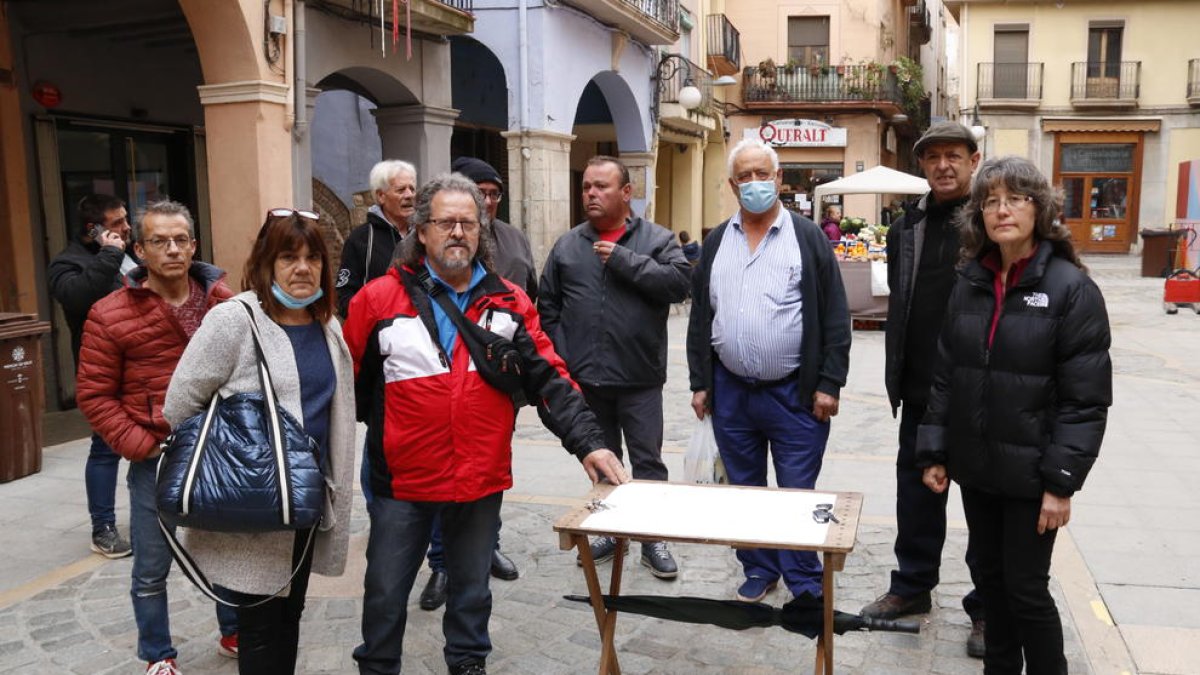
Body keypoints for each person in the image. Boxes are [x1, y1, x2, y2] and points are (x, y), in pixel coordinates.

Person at [345, 173, 629, 675]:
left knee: (472, 584)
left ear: (481, 231)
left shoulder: (510, 303)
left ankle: (468, 661)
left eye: (468, 223)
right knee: (386, 587)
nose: (457, 232)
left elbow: (549, 377)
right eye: (445, 222)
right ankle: (379, 665)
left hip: (480, 474)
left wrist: (590, 443)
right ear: (422, 231)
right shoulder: (377, 300)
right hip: (402, 479)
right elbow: (352, 382)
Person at [916, 155, 1111, 674]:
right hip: (978, 470)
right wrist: (935, 448)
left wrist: (1060, 481)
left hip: (1032, 477)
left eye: (1015, 199)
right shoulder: (970, 281)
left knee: (1026, 591)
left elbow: (1084, 400)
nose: (1001, 211)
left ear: (1039, 208)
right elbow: (946, 374)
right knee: (991, 586)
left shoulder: (1071, 289)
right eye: (990, 201)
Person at [164, 209, 355, 674]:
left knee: (290, 615)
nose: (303, 268)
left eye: (313, 257)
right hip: (256, 505)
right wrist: (239, 458)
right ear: (265, 262)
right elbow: (179, 405)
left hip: (307, 502)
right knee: (261, 629)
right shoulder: (234, 321)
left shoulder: (326, 323)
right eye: (289, 256)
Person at [685, 138, 851, 603]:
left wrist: (829, 383)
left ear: (778, 179)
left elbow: (835, 315)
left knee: (797, 492)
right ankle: (758, 567)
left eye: (763, 174)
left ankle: (803, 579)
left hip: (794, 393)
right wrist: (700, 382)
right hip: (732, 391)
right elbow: (702, 316)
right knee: (745, 489)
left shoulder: (807, 237)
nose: (755, 183)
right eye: (745, 176)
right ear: (733, 184)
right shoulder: (717, 240)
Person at [75, 201, 238, 674]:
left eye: (180, 240)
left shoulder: (223, 301)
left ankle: (233, 630)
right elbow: (94, 394)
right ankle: (158, 655)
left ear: (194, 245)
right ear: (140, 250)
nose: (172, 250)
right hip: (156, 454)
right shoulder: (109, 314)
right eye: (159, 242)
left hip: (218, 451)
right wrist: (139, 444)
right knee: (151, 563)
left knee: (227, 549)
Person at [864, 120, 988, 655]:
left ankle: (988, 607)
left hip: (981, 394)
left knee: (985, 505)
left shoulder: (991, 221)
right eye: (933, 156)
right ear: (922, 164)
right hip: (919, 389)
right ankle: (912, 587)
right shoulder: (905, 227)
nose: (943, 165)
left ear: (974, 159)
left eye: (953, 155)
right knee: (915, 499)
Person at [539, 155, 691, 579]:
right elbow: (547, 306)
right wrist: (564, 355)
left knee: (647, 462)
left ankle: (650, 536)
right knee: (601, 459)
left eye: (601, 186)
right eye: (587, 186)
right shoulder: (568, 245)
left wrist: (625, 260)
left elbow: (679, 285)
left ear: (626, 193)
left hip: (639, 377)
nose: (590, 193)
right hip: (586, 378)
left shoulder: (657, 240)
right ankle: (608, 527)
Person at [412, 157, 535, 612]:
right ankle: (442, 563)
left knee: (489, 470)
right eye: (478, 191)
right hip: (433, 390)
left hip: (497, 385)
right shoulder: (421, 254)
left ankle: (486, 548)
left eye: (493, 193)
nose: (487, 201)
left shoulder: (516, 241)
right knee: (443, 482)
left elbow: (532, 302)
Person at [47, 193, 136, 559]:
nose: (127, 228)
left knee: (155, 444)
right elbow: (80, 297)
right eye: (117, 223)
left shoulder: (128, 254)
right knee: (105, 449)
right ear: (93, 229)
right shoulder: (66, 264)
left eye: (126, 219)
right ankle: (103, 529)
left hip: (141, 364)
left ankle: (155, 511)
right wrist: (110, 255)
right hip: (102, 372)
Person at [336, 159, 417, 316]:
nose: (409, 195)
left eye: (412, 189)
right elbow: (344, 298)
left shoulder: (425, 235)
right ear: (381, 196)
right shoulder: (361, 239)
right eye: (401, 190)